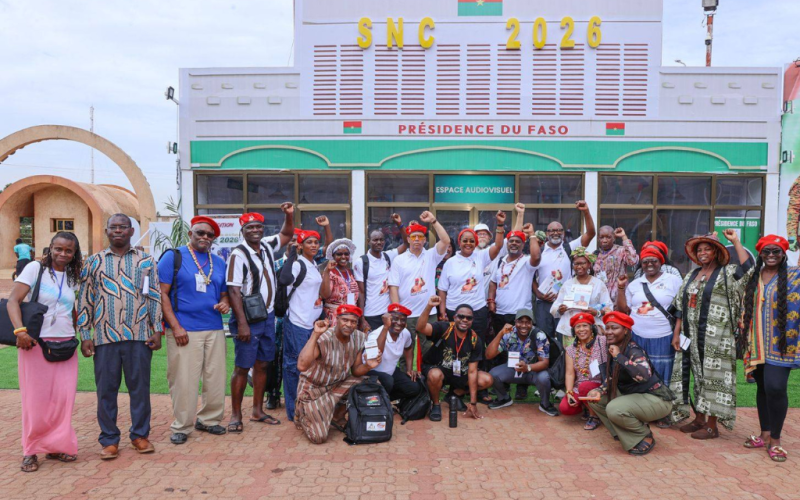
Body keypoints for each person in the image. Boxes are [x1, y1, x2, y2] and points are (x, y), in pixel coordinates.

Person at [77, 214, 163, 459]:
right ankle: (109, 439)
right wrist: (85, 334)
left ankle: (140, 436)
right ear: (106, 231)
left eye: (123, 227)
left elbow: (154, 295)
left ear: (131, 231)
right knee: (106, 391)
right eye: (113, 227)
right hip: (105, 337)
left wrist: (157, 329)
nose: (118, 231)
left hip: (139, 335)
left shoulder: (146, 261)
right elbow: (85, 300)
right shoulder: (93, 262)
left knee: (140, 389)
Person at [9, 232, 82, 472]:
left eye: (68, 250)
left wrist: (78, 333)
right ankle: (30, 451)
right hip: (35, 343)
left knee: (62, 400)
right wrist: (20, 331)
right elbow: (13, 301)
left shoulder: (72, 276)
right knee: (35, 401)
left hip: (66, 344)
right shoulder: (34, 269)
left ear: (74, 253)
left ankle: (56, 445)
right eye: (58, 248)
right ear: (50, 248)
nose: (63, 254)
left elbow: (71, 309)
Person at [670, 230, 752, 439]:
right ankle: (699, 418)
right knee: (698, 376)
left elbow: (748, 271)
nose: (703, 253)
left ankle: (712, 426)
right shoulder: (691, 275)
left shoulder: (727, 273)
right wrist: (677, 333)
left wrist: (736, 241)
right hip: (691, 336)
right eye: (700, 250)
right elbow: (679, 305)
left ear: (716, 252)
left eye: (707, 249)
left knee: (714, 378)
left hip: (717, 338)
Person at [159, 216, 231, 445]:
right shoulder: (174, 257)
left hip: (214, 328)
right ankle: (182, 425)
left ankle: (209, 420)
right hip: (184, 329)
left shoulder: (218, 262)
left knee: (215, 378)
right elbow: (162, 294)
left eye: (210, 235)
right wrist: (175, 327)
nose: (205, 237)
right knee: (184, 380)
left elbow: (224, 294)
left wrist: (225, 304)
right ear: (190, 234)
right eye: (200, 233)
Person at [226, 206, 294, 432]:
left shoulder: (266, 246)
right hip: (248, 318)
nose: (255, 230)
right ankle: (236, 415)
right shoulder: (238, 254)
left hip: (267, 316)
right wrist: (242, 324)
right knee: (242, 367)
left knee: (263, 364)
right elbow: (234, 290)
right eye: (250, 227)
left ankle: (257, 410)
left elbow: (287, 234)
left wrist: (289, 215)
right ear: (242, 230)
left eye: (258, 227)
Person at [741, 235, 800, 462]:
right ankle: (764, 434)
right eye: (767, 251)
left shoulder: (794, 275)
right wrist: (735, 242)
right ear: (761, 254)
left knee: (776, 388)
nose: (772, 255)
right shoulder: (754, 276)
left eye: (776, 251)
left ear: (784, 254)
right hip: (756, 344)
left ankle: (775, 440)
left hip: (782, 345)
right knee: (763, 388)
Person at [584, 312, 674, 455]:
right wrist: (599, 391)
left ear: (626, 330)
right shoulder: (614, 347)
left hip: (656, 399)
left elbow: (644, 376)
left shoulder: (633, 349)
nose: (609, 332)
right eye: (607, 328)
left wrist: (619, 357)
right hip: (636, 396)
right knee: (595, 399)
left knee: (614, 408)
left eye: (614, 328)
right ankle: (623, 433)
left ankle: (644, 435)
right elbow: (612, 377)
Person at [616, 244, 682, 428]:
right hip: (638, 336)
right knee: (640, 374)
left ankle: (663, 412)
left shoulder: (673, 280)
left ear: (661, 262)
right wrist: (621, 288)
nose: (649, 264)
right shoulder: (635, 284)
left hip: (664, 336)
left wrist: (676, 334)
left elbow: (681, 309)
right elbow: (624, 309)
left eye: (653, 260)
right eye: (645, 262)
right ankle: (641, 410)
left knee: (662, 375)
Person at [294, 305, 381, 444]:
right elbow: (302, 366)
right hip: (314, 390)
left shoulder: (360, 338)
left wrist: (367, 366)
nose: (349, 324)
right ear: (337, 319)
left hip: (337, 385)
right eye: (345, 320)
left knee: (369, 383)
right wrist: (315, 334)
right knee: (318, 437)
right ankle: (303, 412)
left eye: (353, 322)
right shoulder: (324, 337)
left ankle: (336, 414)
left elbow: (355, 371)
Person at [388, 211, 451, 372]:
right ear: (408, 239)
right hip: (406, 314)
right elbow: (393, 286)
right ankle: (406, 379)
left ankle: (430, 379)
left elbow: (446, 240)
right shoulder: (399, 260)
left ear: (424, 240)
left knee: (430, 348)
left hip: (428, 313)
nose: (416, 239)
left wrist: (433, 221)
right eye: (413, 237)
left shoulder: (431, 256)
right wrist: (397, 311)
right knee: (404, 349)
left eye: (420, 237)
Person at [416, 296, 493, 422]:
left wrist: (473, 403)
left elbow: (472, 371)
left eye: (468, 318)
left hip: (459, 372)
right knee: (435, 375)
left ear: (472, 320)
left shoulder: (475, 339)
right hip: (438, 367)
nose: (464, 320)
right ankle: (435, 404)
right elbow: (420, 328)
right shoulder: (444, 328)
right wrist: (429, 306)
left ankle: (455, 393)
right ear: (454, 317)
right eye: (461, 316)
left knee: (487, 380)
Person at [437, 211, 507, 338]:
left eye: (471, 241)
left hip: (477, 312)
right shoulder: (450, 262)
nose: (468, 243)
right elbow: (442, 289)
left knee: (477, 343)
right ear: (459, 242)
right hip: (454, 311)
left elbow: (498, 246)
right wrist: (442, 312)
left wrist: (500, 224)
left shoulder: (481, 256)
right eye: (465, 240)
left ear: (475, 243)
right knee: (455, 343)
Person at [279, 229, 325, 422]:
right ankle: (293, 410)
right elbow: (284, 280)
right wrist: (292, 252)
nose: (313, 245)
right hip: (297, 322)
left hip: (311, 323)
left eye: (316, 242)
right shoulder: (298, 264)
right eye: (309, 242)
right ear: (301, 245)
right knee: (294, 366)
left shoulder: (314, 264)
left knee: (309, 365)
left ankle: (306, 405)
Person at [533, 201, 596, 339]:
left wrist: (585, 211)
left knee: (565, 338)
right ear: (546, 233)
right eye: (552, 230)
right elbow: (531, 276)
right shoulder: (539, 251)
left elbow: (591, 233)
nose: (556, 233)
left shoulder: (570, 248)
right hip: (543, 303)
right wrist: (538, 294)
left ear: (563, 233)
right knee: (543, 339)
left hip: (565, 302)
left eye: (559, 230)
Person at [485, 309, 557, 416]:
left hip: (533, 370)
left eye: (527, 322)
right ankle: (504, 398)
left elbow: (544, 363)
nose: (524, 325)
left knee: (544, 377)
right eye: (520, 322)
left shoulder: (539, 335)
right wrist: (500, 333)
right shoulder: (509, 333)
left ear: (532, 323)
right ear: (515, 322)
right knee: (493, 374)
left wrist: (527, 367)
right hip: (513, 369)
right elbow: (488, 355)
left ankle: (545, 404)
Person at [354, 214, 409, 331]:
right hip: (371, 314)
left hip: (388, 313)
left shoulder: (388, 256)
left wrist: (400, 224)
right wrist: (362, 318)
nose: (379, 242)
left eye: (381, 239)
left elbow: (406, 243)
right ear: (368, 241)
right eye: (375, 240)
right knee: (373, 342)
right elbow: (361, 292)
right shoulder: (361, 262)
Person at [363, 303, 423, 401]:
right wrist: (385, 327)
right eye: (395, 319)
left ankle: (386, 400)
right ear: (388, 319)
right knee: (388, 380)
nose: (399, 323)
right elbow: (376, 355)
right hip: (370, 372)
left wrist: (409, 369)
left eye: (403, 320)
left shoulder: (405, 333)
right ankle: (376, 401)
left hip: (390, 372)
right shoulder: (374, 335)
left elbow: (408, 348)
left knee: (414, 387)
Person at [560, 313, 608, 430]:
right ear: (574, 330)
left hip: (601, 386)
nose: (581, 329)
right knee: (565, 408)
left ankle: (594, 416)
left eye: (585, 326)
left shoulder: (602, 341)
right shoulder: (571, 349)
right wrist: (569, 392)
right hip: (580, 387)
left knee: (585, 386)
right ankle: (587, 407)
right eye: (578, 326)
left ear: (592, 328)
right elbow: (570, 373)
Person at [550, 248, 610, 342]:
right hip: (570, 331)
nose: (579, 266)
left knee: (591, 352)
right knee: (571, 352)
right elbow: (555, 307)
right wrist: (560, 309)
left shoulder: (599, 284)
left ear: (589, 264)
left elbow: (608, 307)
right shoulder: (567, 284)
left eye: (582, 263)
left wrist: (597, 312)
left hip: (592, 330)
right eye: (576, 264)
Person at [593, 227, 639, 301]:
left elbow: (633, 260)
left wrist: (624, 237)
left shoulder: (620, 251)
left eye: (608, 237)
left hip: (619, 298)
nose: (604, 240)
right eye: (601, 237)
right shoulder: (595, 255)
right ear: (598, 238)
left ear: (614, 238)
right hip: (601, 298)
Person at [321, 238, 359, 325]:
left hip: (351, 316)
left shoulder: (351, 272)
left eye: (346, 254)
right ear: (333, 256)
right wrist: (327, 271)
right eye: (339, 254)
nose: (343, 257)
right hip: (334, 318)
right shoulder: (330, 273)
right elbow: (325, 295)